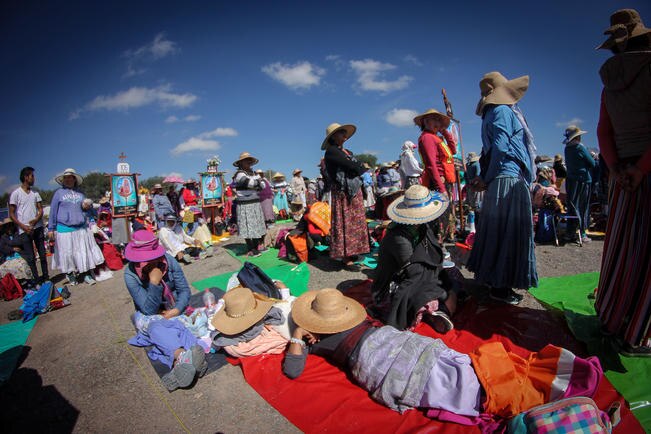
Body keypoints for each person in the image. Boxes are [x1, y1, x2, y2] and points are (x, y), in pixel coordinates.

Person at [283, 288, 482, 418]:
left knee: (437, 358)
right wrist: (298, 333)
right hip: (369, 357)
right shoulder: (314, 339)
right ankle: (475, 392)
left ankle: (480, 380)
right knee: (427, 378)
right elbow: (292, 369)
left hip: (389, 338)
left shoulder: (350, 316)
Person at [594, 8, 651, 356]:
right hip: (644, 170)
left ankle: (612, 317)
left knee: (622, 247)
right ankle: (638, 334)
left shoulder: (609, 85)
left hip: (622, 175)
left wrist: (616, 169)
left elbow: (604, 131)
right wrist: (642, 168)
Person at [466, 72, 538, 305]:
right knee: (509, 233)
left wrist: (486, 176)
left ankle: (493, 280)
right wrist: (488, 176)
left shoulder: (491, 113)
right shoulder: (503, 111)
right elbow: (501, 146)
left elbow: (492, 149)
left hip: (499, 178)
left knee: (497, 231)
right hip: (508, 178)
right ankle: (501, 287)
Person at [371, 185, 456, 332]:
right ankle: (436, 312)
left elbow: (430, 254)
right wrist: (434, 270)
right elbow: (411, 271)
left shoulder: (420, 227)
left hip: (416, 274)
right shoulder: (398, 237)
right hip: (395, 283)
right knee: (441, 291)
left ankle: (435, 312)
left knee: (452, 278)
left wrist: (436, 267)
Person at [322, 122, 369, 270]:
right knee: (345, 222)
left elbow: (358, 165)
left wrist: (359, 168)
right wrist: (360, 169)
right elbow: (353, 166)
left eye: (344, 133)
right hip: (343, 192)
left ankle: (353, 251)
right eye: (341, 133)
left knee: (355, 222)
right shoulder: (331, 152)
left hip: (353, 191)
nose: (345, 136)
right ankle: (345, 256)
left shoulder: (347, 152)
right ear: (334, 136)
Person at [48, 168, 105, 285]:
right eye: (66, 178)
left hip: (81, 227)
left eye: (70, 177)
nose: (68, 180)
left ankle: (86, 274)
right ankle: (70, 274)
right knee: (68, 253)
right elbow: (53, 211)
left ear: (74, 179)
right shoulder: (58, 193)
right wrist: (50, 228)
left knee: (83, 251)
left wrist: (87, 207)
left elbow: (87, 210)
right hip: (64, 228)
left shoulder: (81, 194)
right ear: (63, 180)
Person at [124, 229, 191, 318]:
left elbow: (184, 290)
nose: (151, 262)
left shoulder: (169, 261)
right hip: (152, 316)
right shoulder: (130, 275)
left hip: (176, 306)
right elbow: (148, 310)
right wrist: (154, 283)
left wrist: (176, 310)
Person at [414, 109, 457, 242]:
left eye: (439, 120)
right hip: (438, 182)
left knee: (446, 215)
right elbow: (431, 165)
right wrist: (441, 188)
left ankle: (442, 243)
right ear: (426, 122)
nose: (437, 123)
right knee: (439, 218)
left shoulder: (437, 138)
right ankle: (437, 247)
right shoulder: (427, 138)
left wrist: (445, 131)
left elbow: (453, 150)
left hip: (445, 181)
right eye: (434, 119)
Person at [211, 285, 290, 358]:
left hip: (240, 350)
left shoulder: (226, 336)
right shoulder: (264, 316)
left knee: (225, 343)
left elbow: (218, 342)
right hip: (260, 342)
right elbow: (278, 317)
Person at [9, 166, 48, 282]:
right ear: (26, 177)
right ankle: (36, 280)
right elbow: (11, 214)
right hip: (24, 230)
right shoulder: (16, 194)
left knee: (42, 255)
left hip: (38, 227)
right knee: (31, 257)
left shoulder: (35, 193)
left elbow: (40, 210)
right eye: (32, 176)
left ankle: (46, 277)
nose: (34, 178)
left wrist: (36, 219)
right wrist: (23, 226)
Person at [562, 126, 596, 243]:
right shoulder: (580, 147)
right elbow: (592, 163)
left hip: (571, 181)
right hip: (583, 180)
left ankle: (569, 232)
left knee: (572, 206)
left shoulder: (567, 149)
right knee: (582, 207)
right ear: (578, 136)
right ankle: (582, 233)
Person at [232, 152, 267, 257]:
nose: (248, 162)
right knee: (247, 225)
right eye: (246, 160)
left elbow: (263, 185)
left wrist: (257, 182)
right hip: (245, 204)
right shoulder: (239, 174)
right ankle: (250, 248)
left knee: (256, 225)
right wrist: (257, 182)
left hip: (255, 203)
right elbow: (249, 183)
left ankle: (256, 247)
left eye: (249, 161)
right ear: (241, 163)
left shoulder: (253, 173)